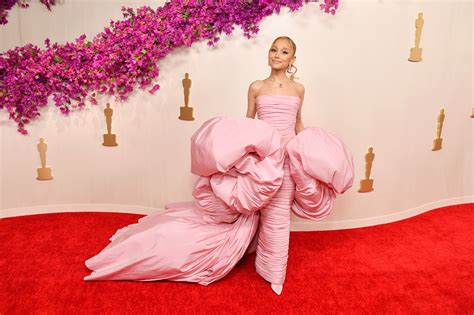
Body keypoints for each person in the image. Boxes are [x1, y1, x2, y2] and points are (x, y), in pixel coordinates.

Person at [84, 36, 354, 296]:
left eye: (284, 51)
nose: (277, 55)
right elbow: (248, 122)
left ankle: (274, 273)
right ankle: (244, 251)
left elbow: (297, 123)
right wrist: (238, 154)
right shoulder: (256, 86)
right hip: (261, 159)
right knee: (251, 210)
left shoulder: (299, 89)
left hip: (286, 160)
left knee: (278, 218)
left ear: (293, 58)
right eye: (273, 50)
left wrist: (306, 152)